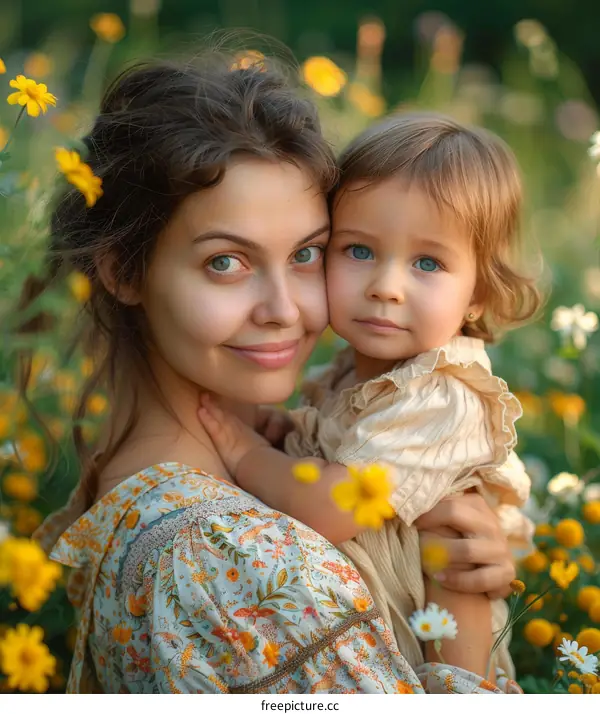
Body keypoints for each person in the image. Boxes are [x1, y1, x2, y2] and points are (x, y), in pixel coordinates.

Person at [30, 56, 518, 694]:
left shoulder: (227, 484)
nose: (285, 310)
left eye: (306, 254)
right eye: (226, 262)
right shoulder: (215, 552)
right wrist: (468, 657)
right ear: (124, 272)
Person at [196, 112, 541, 679]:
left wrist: (244, 452)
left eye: (427, 263)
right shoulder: (353, 373)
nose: (385, 286)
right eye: (358, 250)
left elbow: (335, 504)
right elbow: (335, 445)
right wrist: (289, 433)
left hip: (432, 667)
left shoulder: (442, 394)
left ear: (478, 293)